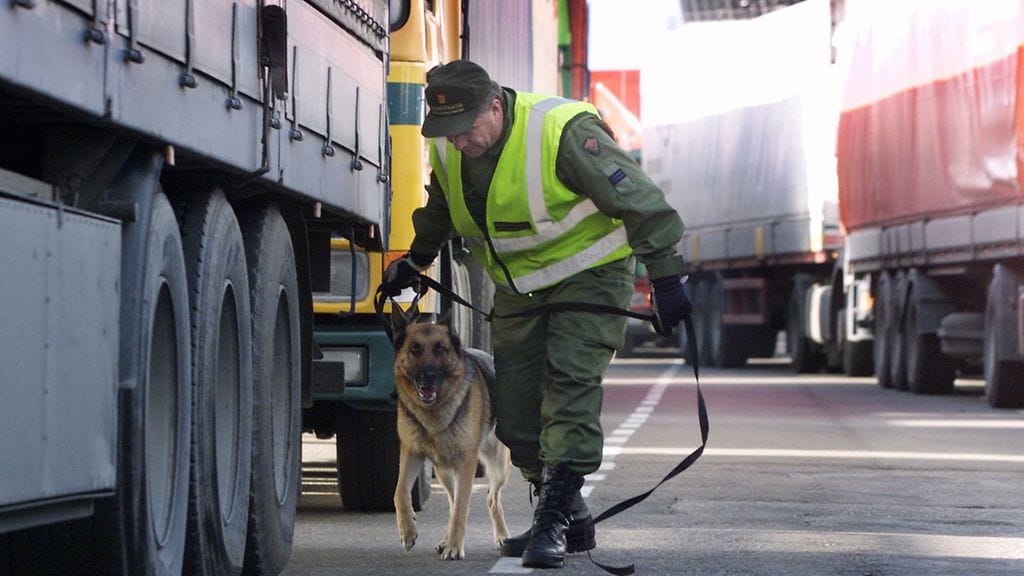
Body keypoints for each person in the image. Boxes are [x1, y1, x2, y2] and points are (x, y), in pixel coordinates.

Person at [380, 60, 690, 569]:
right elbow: (443, 205)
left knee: (568, 390)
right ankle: (569, 510)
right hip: (521, 291)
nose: (458, 142)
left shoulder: (561, 133)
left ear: (496, 108)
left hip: (590, 278)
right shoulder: (452, 145)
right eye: (449, 133)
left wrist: (665, 273)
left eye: (466, 129)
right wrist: (415, 261)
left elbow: (639, 198)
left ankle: (552, 523)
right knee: (517, 415)